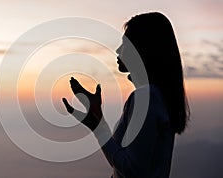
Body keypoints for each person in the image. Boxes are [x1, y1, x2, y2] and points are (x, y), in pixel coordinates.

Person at [62, 12, 190, 178]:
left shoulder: (147, 98)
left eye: (125, 44)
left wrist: (98, 128)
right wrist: (97, 119)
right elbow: (124, 162)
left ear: (142, 49)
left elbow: (133, 171)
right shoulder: (155, 97)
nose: (118, 50)